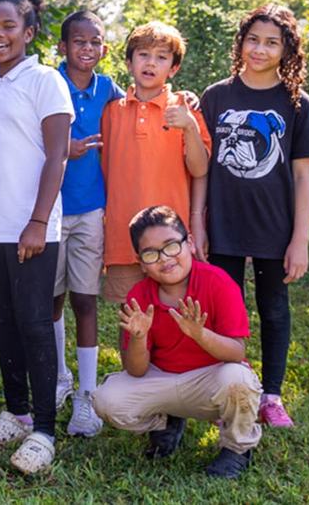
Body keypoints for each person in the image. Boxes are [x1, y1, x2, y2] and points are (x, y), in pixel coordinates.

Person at [195, 5, 309, 426]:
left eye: (272, 42)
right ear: (241, 43)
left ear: (287, 50)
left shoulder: (296, 104)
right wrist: (198, 222)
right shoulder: (216, 96)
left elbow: (304, 174)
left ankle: (271, 395)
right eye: (253, 39)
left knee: (274, 309)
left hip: (276, 225)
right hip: (224, 222)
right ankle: (225, 388)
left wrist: (300, 238)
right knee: (224, 310)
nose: (260, 49)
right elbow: (198, 164)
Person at [0, 0, 73, 475]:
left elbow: (57, 157)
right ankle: (16, 412)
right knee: (4, 322)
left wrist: (36, 221)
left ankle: (45, 430)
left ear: (29, 30)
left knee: (35, 325)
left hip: (31, 229)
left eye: (8, 25)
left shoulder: (45, 81)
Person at [92, 205, 262, 479]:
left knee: (239, 379)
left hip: (212, 380)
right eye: (151, 253)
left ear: (190, 243)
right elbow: (136, 371)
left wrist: (200, 334)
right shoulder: (139, 295)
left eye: (171, 246)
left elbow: (236, 351)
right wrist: (138, 337)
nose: (165, 259)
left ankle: (237, 448)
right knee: (107, 400)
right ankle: (165, 422)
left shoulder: (218, 282)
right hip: (164, 379)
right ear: (141, 261)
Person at [50, 9, 123, 437]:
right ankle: (60, 377)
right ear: (63, 47)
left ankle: (87, 396)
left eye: (95, 42)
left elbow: (141, 107)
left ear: (105, 48)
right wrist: (65, 149)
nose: (87, 49)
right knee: (52, 299)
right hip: (52, 210)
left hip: (92, 210)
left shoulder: (109, 90)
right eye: (79, 41)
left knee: (86, 300)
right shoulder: (49, 84)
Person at [101, 22, 211, 303]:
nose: (151, 63)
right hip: (123, 240)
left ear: (173, 68)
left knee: (175, 315)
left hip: (172, 240)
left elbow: (200, 169)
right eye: (143, 55)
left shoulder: (185, 109)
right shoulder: (112, 111)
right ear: (129, 62)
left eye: (161, 57)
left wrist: (189, 128)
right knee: (132, 321)